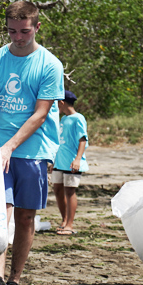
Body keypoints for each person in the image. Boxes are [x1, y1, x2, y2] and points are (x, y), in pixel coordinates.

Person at [0, 0, 64, 285]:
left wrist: (10, 146)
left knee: (25, 218)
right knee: (0, 213)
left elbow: (40, 114)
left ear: (37, 27)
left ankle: (15, 281)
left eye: (24, 31)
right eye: (12, 31)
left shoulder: (50, 64)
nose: (18, 37)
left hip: (34, 149)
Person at [52, 90, 88, 236]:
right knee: (58, 190)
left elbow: (83, 139)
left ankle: (70, 225)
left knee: (69, 191)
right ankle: (64, 220)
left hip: (71, 161)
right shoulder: (63, 119)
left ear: (61, 102)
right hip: (59, 161)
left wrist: (78, 159)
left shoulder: (78, 118)